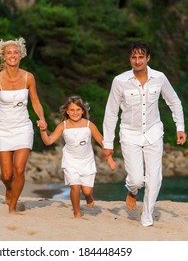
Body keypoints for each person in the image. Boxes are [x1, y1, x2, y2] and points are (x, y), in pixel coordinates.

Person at [102, 42, 186, 227]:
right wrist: (107, 143)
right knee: (136, 179)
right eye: (134, 57)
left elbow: (174, 102)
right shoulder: (120, 81)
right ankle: (132, 191)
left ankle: (147, 216)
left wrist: (180, 127)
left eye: (141, 57)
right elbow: (111, 112)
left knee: (155, 178)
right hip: (129, 134)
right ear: (129, 58)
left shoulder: (160, 78)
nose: (137, 61)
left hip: (153, 132)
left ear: (148, 58)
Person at [0, 38, 47, 213]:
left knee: (19, 170)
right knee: (7, 175)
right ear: (3, 57)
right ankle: (9, 190)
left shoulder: (28, 77)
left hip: (23, 127)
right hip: (3, 128)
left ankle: (13, 207)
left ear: (21, 55)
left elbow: (36, 102)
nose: (12, 55)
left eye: (16, 52)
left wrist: (42, 118)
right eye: (9, 52)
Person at [38, 95, 116, 218]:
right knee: (75, 186)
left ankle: (89, 197)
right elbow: (48, 141)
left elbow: (103, 142)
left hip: (87, 161)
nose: (75, 113)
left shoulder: (89, 125)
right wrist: (43, 131)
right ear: (67, 112)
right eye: (72, 110)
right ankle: (77, 213)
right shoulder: (63, 126)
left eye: (78, 110)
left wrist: (110, 159)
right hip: (70, 161)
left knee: (86, 191)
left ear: (83, 111)